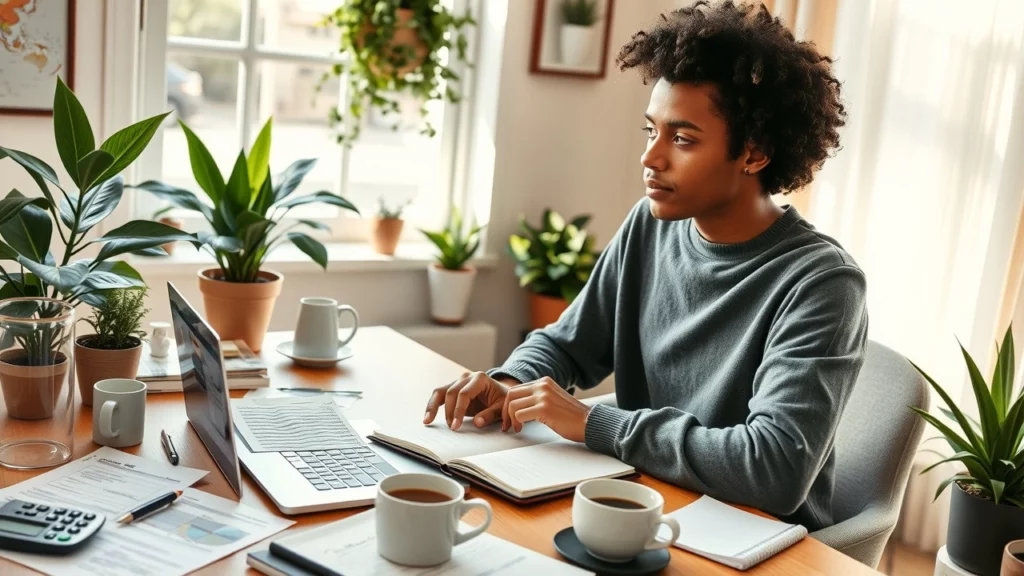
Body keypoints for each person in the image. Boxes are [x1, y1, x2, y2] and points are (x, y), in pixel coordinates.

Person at [423, 0, 866, 530]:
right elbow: (568, 344)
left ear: (755, 153)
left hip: (750, 538)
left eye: (682, 139)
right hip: (644, 504)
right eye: (649, 131)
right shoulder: (650, 226)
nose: (651, 157)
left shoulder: (822, 282)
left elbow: (774, 467)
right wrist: (508, 382)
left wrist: (593, 423)